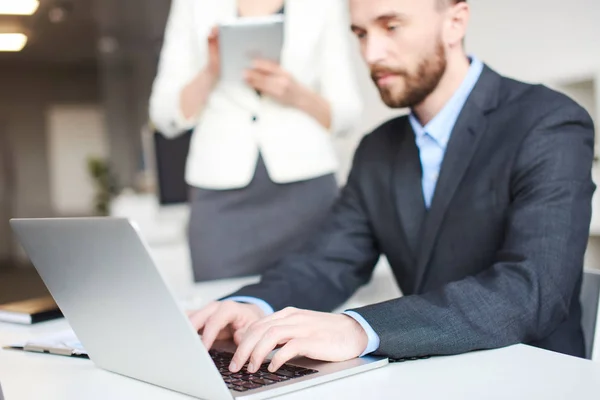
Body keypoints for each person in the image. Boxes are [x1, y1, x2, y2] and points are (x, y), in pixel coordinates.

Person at [188, 0, 596, 374]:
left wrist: (359, 329)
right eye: (361, 33)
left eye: (391, 27)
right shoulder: (378, 148)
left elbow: (532, 289)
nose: (371, 54)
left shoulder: (548, 123)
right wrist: (251, 305)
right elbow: (329, 261)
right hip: (426, 373)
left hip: (532, 376)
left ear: (454, 22)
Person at [149, 0, 362, 281]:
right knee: (220, 313)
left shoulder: (323, 5)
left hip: (307, 193)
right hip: (221, 201)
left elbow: (348, 114)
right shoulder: (192, 5)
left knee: (317, 308)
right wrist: (212, 70)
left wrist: (296, 94)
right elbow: (163, 115)